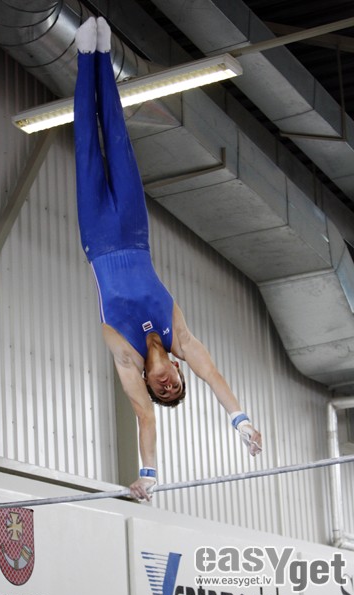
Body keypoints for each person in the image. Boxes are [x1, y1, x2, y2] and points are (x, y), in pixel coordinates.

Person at [74, 16, 262, 501]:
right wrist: (240, 420)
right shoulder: (180, 335)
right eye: (175, 385)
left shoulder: (127, 359)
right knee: (117, 139)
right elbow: (213, 375)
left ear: (151, 382)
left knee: (87, 145)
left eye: (161, 390)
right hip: (135, 233)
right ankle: (103, 55)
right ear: (179, 371)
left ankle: (83, 57)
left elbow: (144, 417)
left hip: (98, 239)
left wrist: (149, 474)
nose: (166, 385)